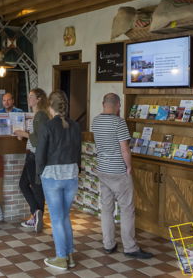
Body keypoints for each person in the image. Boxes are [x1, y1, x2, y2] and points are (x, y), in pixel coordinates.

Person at [92, 93, 153, 259]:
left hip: (102, 169)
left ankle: (108, 244)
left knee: (106, 208)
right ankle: (130, 247)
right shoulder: (119, 122)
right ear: (118, 105)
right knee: (126, 210)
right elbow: (125, 149)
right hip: (118, 171)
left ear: (104, 104)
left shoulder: (96, 121)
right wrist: (129, 166)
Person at [36, 90, 81, 270]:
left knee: (56, 219)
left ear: (49, 106)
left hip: (52, 176)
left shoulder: (47, 126)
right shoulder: (75, 126)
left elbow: (40, 154)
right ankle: (69, 255)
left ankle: (61, 258)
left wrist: (38, 175)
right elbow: (78, 151)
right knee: (64, 217)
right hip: (71, 174)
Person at [14, 88, 49, 232]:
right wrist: (24, 134)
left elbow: (38, 139)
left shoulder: (40, 115)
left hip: (35, 155)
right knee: (25, 184)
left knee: (35, 187)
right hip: (33, 155)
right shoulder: (39, 115)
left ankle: (36, 215)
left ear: (39, 99)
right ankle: (37, 214)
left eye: (31, 96)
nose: (29, 99)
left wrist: (23, 133)